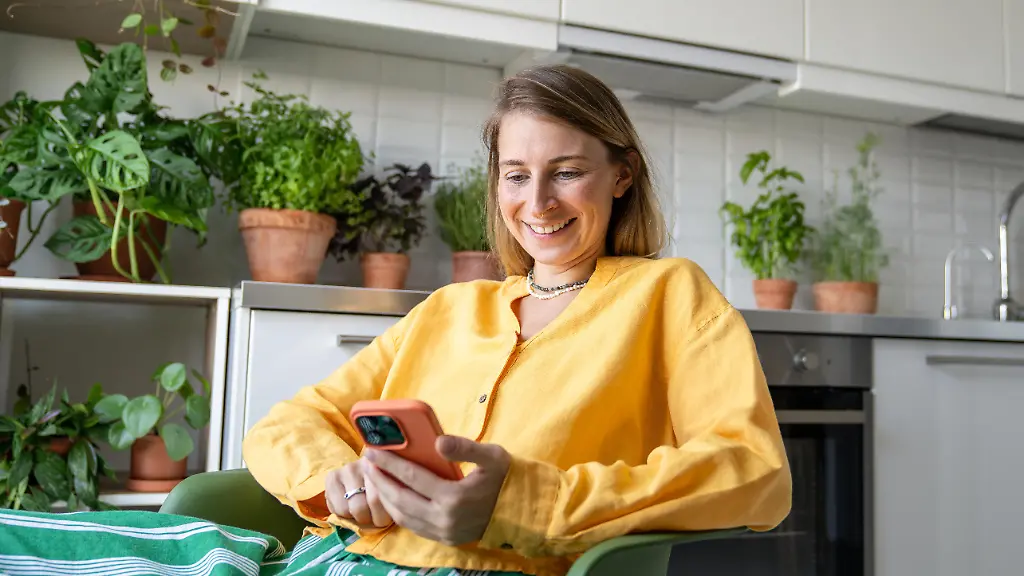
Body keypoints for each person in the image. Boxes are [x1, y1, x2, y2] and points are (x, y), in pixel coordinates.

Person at [0, 64, 791, 576]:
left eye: (568, 172)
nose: (537, 203)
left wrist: (518, 501)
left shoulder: (669, 296)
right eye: (516, 175)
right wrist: (331, 481)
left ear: (622, 174)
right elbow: (291, 422)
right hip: (303, 558)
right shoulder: (454, 308)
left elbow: (753, 474)